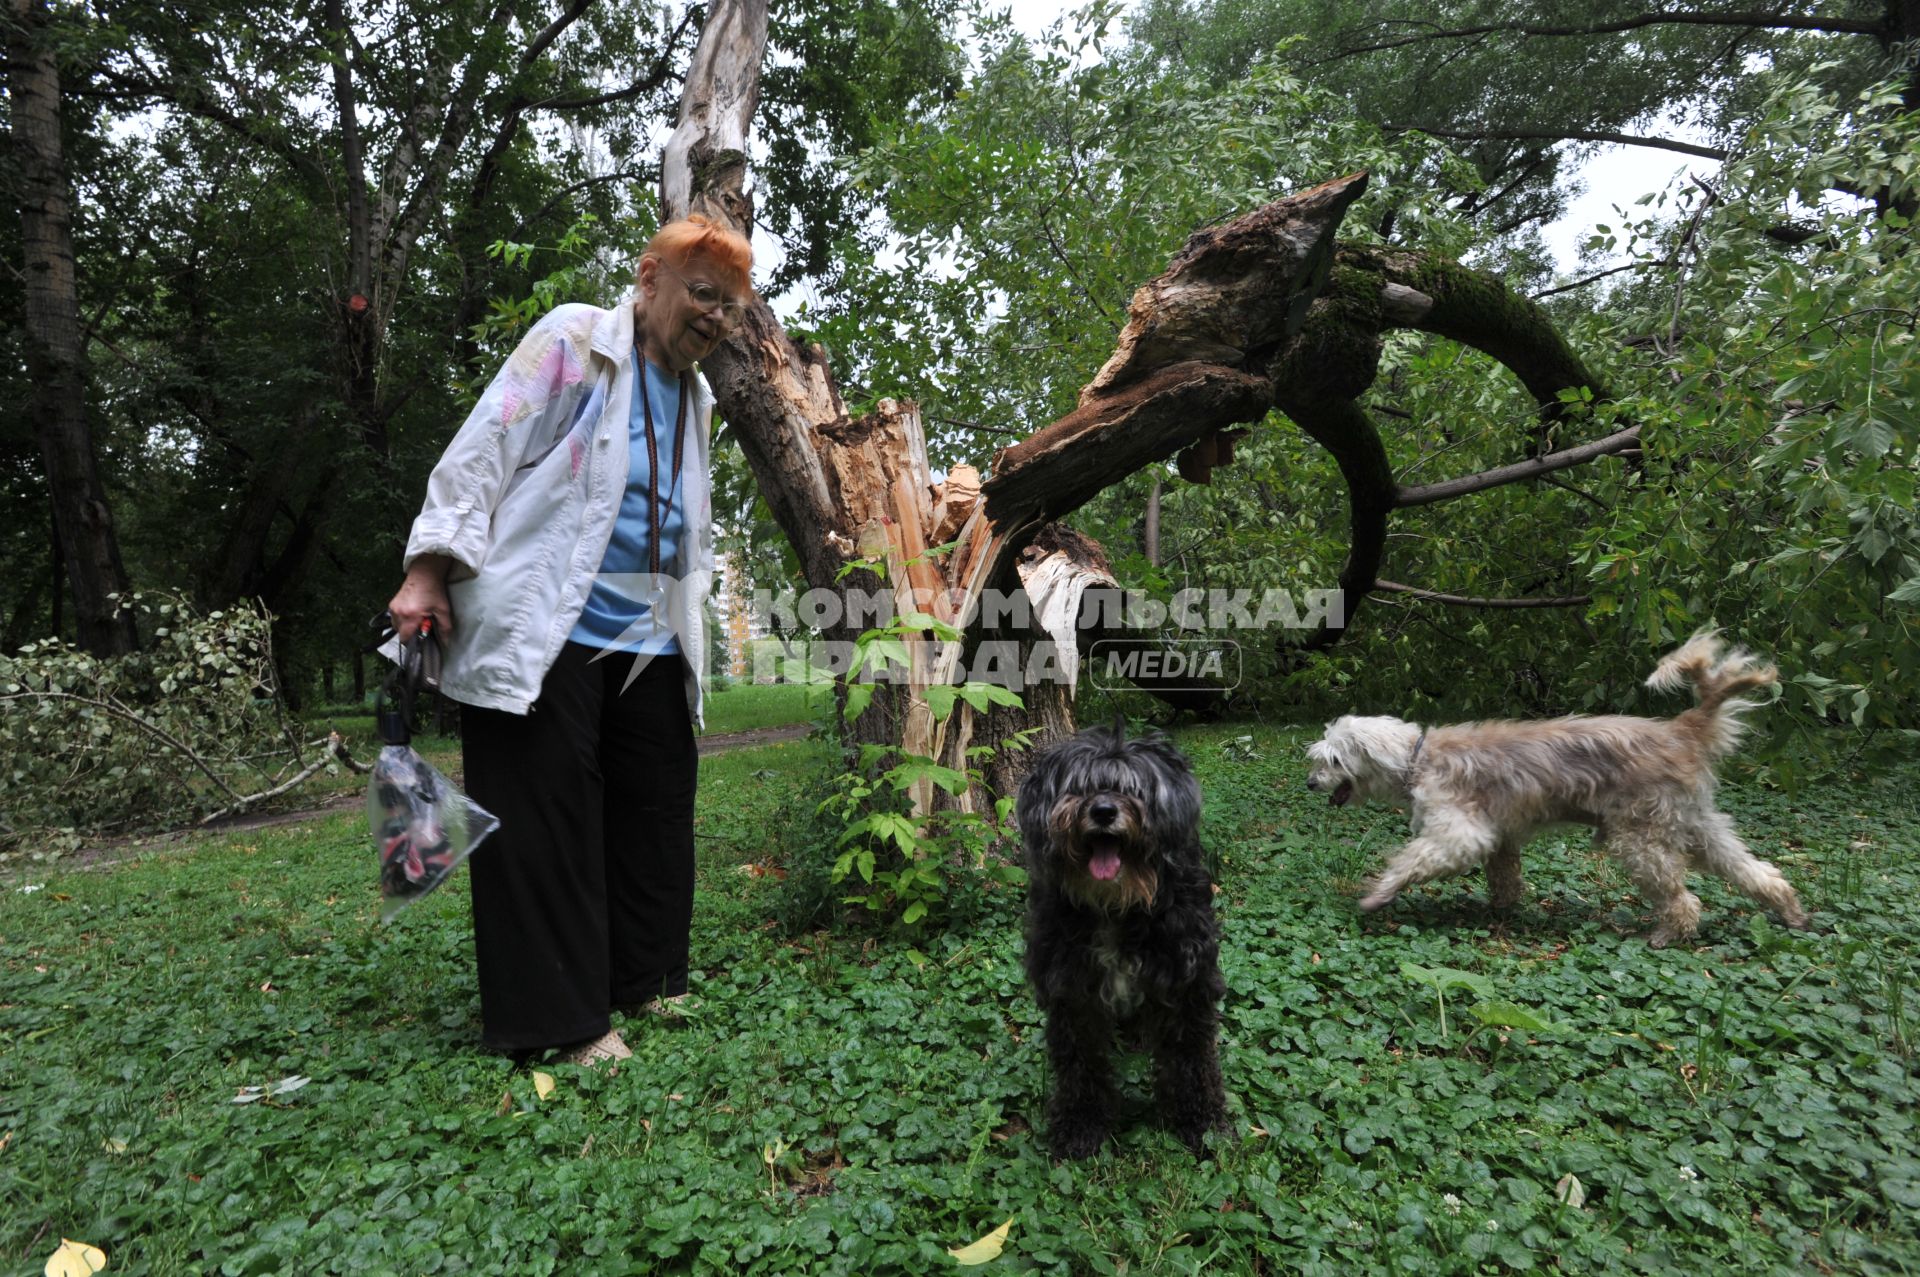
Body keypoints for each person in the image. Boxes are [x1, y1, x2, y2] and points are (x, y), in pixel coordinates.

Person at [386, 214, 754, 1064]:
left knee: (656, 811)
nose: (717, 319)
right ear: (649, 276)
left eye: (732, 308)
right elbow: (485, 446)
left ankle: (648, 977)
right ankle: (563, 1022)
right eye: (705, 294)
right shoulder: (574, 341)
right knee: (544, 817)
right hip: (548, 629)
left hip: (653, 640)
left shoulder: (697, 398)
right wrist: (429, 567)